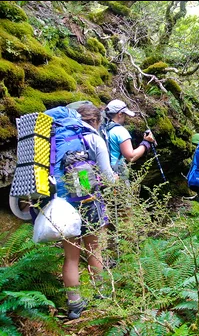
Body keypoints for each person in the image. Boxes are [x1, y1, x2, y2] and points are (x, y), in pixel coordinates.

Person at [63, 104, 116, 320]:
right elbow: (109, 178)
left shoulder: (58, 137)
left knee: (71, 257)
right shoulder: (93, 139)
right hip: (89, 201)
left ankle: (74, 305)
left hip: (63, 205)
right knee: (95, 251)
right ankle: (101, 294)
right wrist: (115, 179)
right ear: (95, 121)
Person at [102, 99, 155, 180]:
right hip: (117, 173)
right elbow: (131, 157)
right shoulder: (120, 131)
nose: (125, 117)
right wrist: (146, 143)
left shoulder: (104, 129)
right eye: (124, 115)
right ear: (120, 114)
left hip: (106, 172)